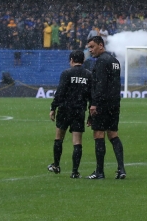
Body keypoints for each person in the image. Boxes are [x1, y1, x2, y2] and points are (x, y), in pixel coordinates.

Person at [86, 36, 125, 179]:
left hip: (102, 103)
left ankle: (99, 171)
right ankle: (121, 169)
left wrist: (94, 104)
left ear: (101, 45)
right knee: (113, 134)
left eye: (92, 47)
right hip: (114, 103)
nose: (90, 50)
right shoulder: (115, 61)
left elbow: (100, 85)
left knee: (98, 134)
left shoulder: (101, 62)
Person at [49, 50, 91, 178]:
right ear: (83, 60)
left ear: (71, 60)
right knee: (77, 141)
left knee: (59, 138)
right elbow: (91, 96)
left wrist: (53, 107)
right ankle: (75, 172)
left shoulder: (66, 73)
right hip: (79, 110)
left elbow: (60, 92)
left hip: (65, 109)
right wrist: (90, 113)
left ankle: (56, 165)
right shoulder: (88, 75)